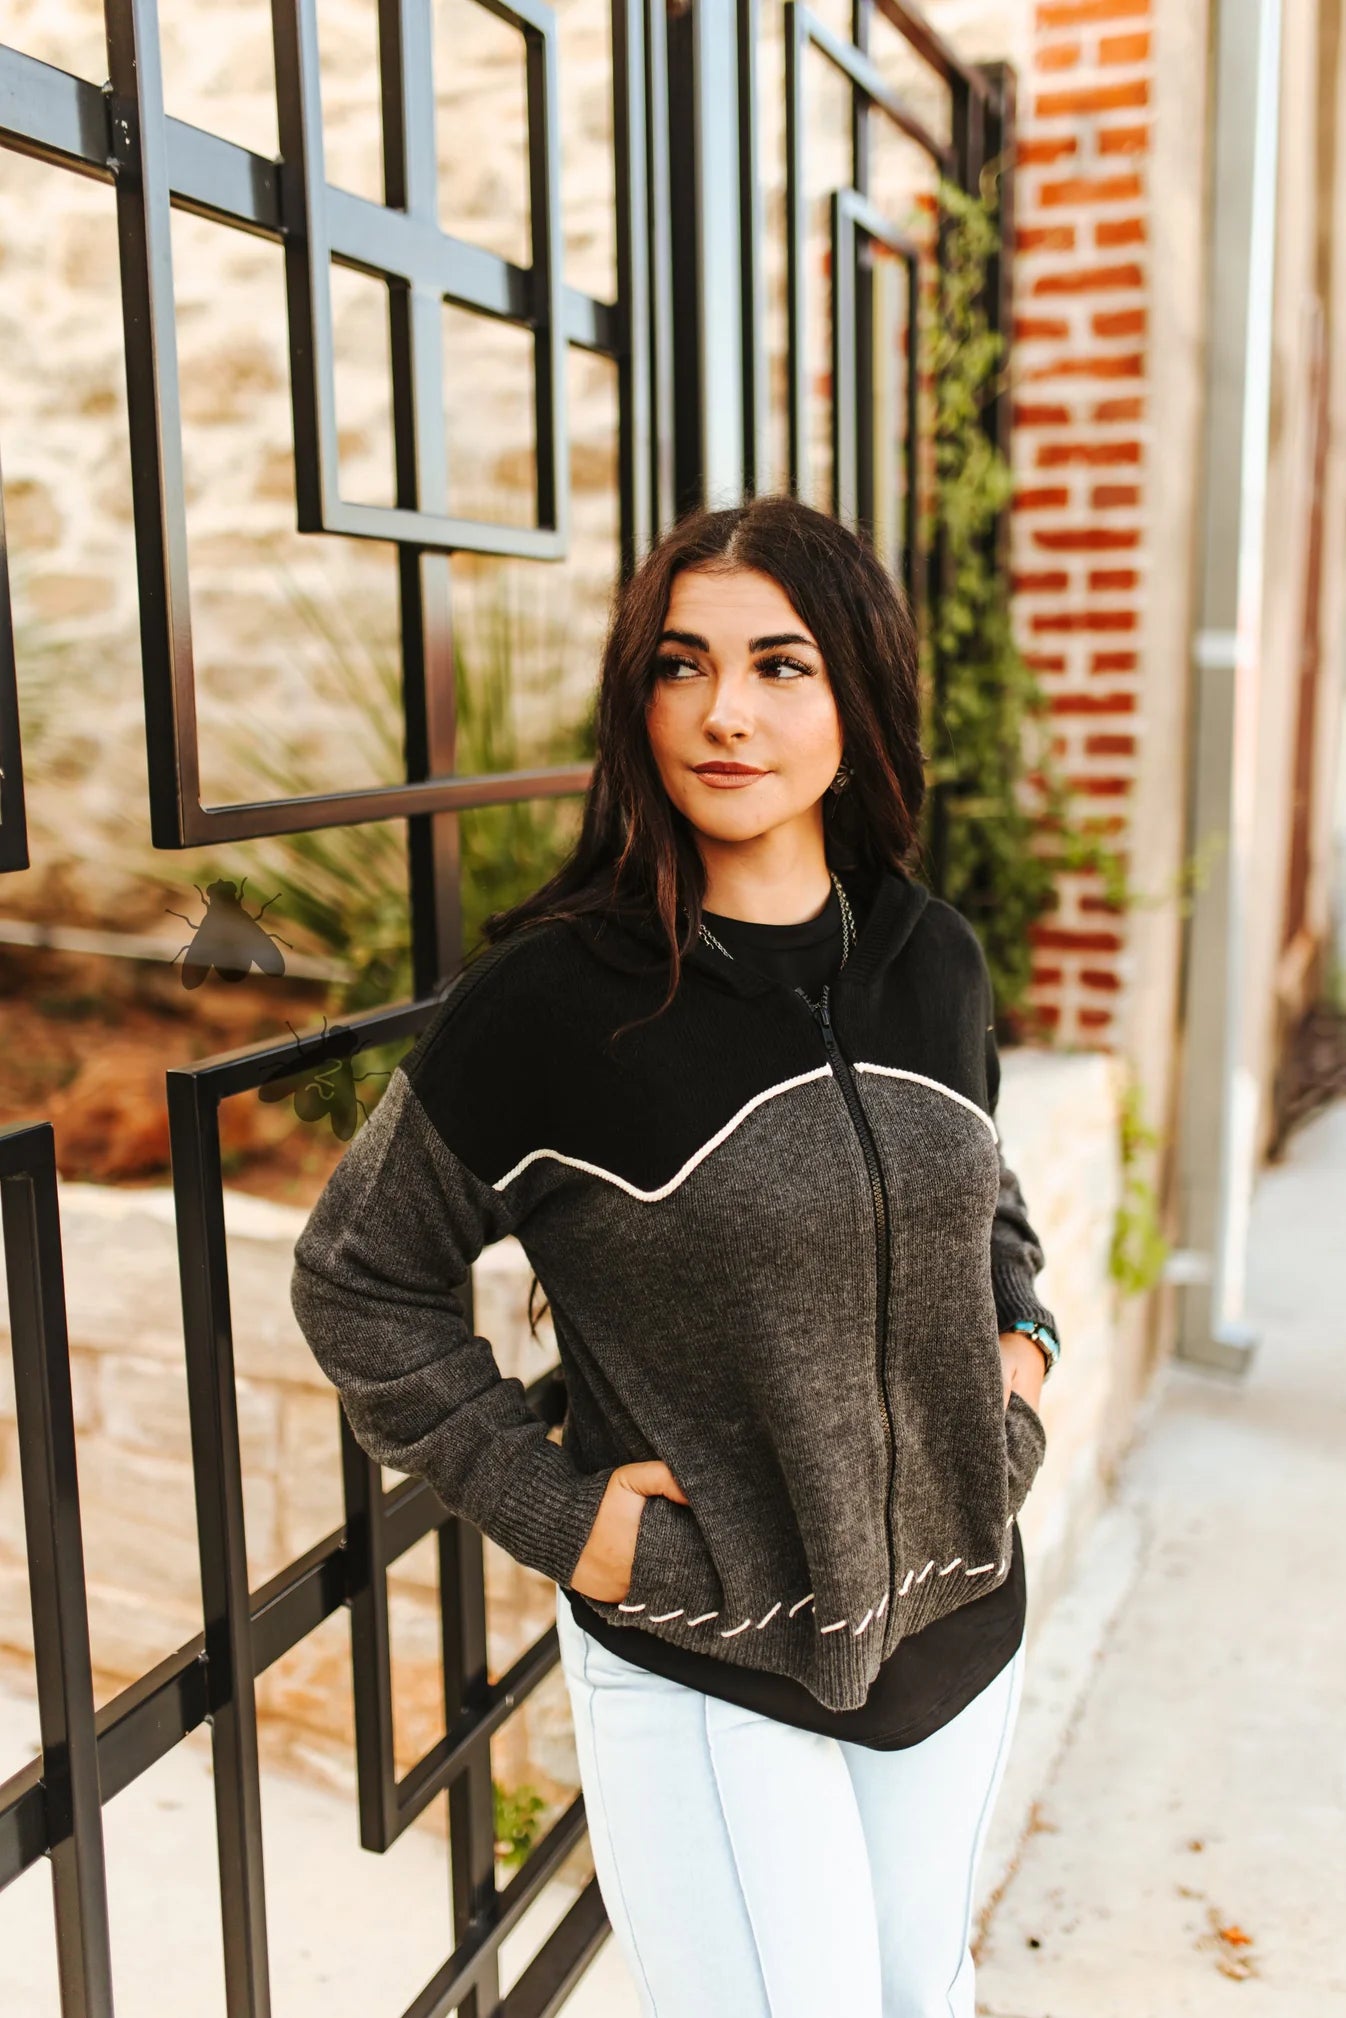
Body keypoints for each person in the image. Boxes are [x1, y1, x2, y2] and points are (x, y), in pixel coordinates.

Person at [289, 493, 1060, 2017]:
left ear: (857, 694)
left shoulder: (930, 955)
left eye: (779, 665)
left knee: (924, 1996)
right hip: (712, 1647)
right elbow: (359, 1276)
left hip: (958, 1616)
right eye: (679, 664)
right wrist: (558, 1513)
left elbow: (982, 1192)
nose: (723, 713)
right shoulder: (553, 1002)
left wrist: (1018, 1362)